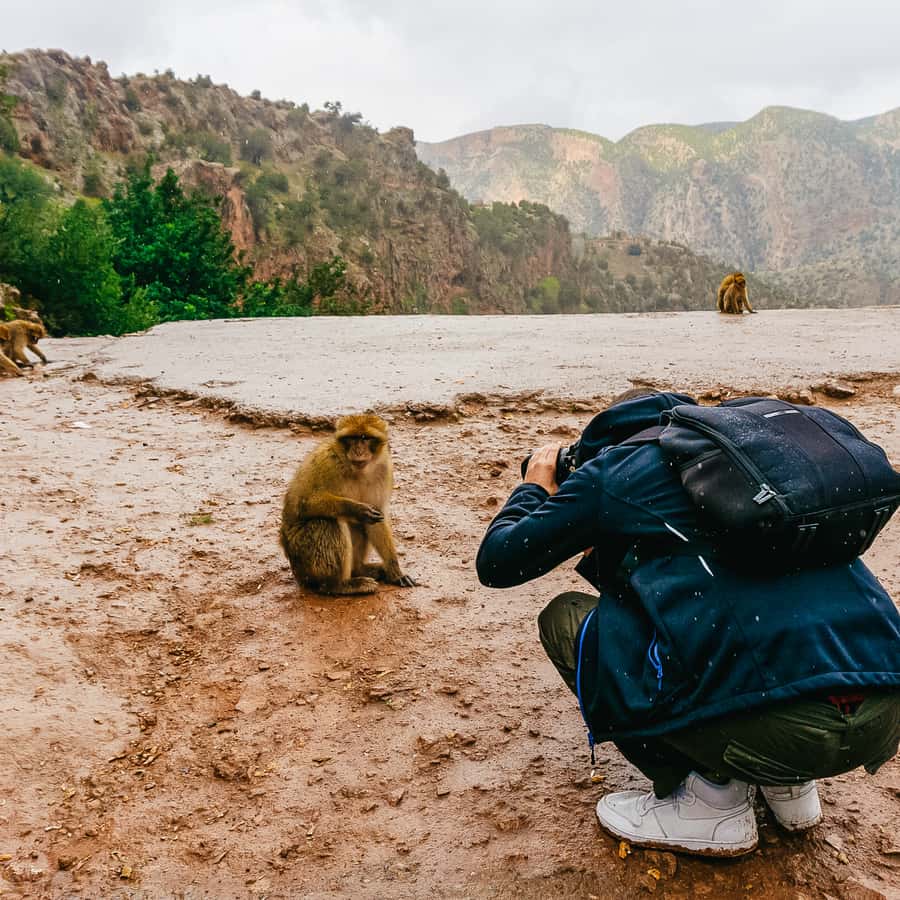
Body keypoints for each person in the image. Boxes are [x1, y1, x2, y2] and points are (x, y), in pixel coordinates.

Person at [476, 389, 900, 857]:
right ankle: (791, 789)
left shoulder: (617, 469)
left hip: (784, 730)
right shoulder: (753, 464)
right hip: (883, 713)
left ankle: (712, 802)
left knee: (567, 620)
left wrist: (537, 483)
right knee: (774, 606)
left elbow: (498, 562)